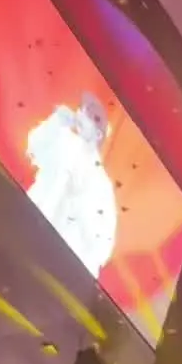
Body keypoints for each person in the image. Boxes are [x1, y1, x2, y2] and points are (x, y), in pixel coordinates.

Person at [25, 93, 118, 278]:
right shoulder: (64, 141)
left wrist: (79, 203)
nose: (81, 115)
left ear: (98, 134)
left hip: (56, 265)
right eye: (82, 110)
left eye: (89, 115)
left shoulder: (101, 185)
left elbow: (101, 246)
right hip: (26, 231)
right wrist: (56, 122)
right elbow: (34, 148)